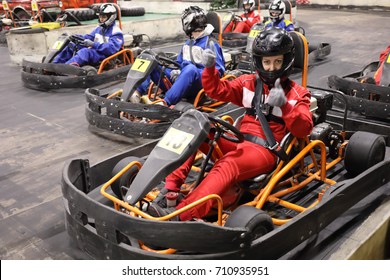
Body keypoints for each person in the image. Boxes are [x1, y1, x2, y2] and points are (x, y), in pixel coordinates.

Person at [147, 27, 314, 221]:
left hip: (266, 149)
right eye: (266, 62)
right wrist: (209, 70)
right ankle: (170, 189)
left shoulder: (297, 94)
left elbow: (304, 129)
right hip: (239, 140)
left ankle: (180, 215)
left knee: (228, 164)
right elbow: (217, 90)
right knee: (195, 128)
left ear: (287, 61)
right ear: (259, 61)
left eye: (277, 62)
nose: (271, 68)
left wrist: (285, 106)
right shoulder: (248, 83)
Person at [131, 6, 225, 106]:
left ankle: (165, 103)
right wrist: (176, 71)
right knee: (151, 60)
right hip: (183, 80)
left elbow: (218, 71)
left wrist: (190, 72)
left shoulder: (211, 43)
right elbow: (179, 63)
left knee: (190, 69)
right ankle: (136, 93)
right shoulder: (188, 43)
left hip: (201, 86)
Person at [52, 3, 124, 67]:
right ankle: (54, 65)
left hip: (105, 56)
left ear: (111, 17)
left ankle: (65, 68)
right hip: (96, 51)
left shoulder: (116, 32)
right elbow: (89, 37)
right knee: (71, 45)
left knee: (85, 52)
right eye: (100, 17)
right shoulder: (99, 29)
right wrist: (78, 37)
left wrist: (93, 44)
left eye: (104, 17)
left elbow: (110, 49)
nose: (101, 19)